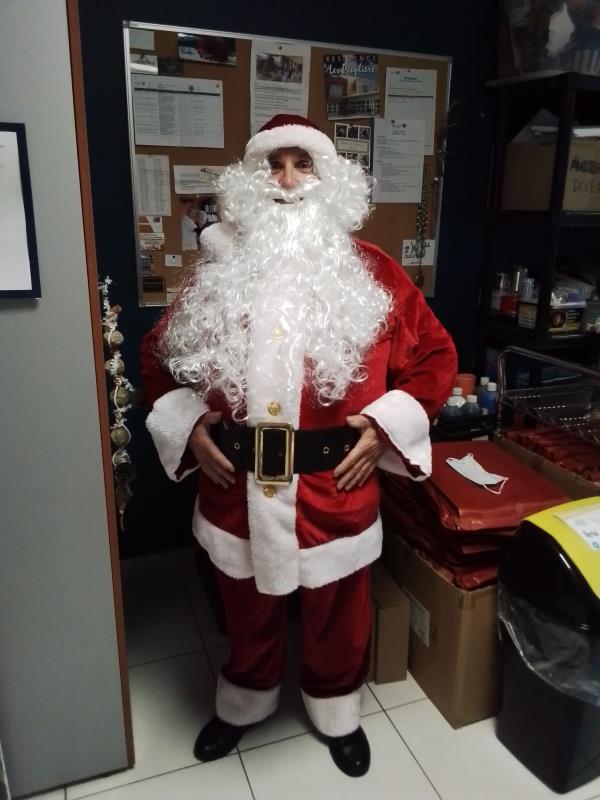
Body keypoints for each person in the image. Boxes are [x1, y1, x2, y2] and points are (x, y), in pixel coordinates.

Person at [140, 114, 457, 777]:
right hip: (234, 486)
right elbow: (158, 355)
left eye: (302, 163)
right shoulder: (218, 270)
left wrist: (385, 426)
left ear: (328, 178)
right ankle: (245, 699)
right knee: (244, 606)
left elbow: (434, 356)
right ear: (251, 179)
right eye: (272, 164)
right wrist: (189, 425)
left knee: (339, 613)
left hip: (333, 487)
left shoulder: (374, 273)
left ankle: (336, 706)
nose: (286, 180)